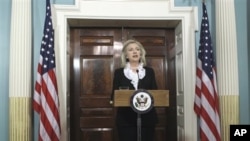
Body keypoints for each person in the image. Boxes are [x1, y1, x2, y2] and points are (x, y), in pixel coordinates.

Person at [110, 39, 158, 141]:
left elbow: (155, 93)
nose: (135, 52)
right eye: (131, 50)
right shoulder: (119, 73)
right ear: (126, 55)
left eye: (137, 49)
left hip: (147, 119)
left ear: (141, 53)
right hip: (126, 119)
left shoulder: (149, 72)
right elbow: (114, 96)